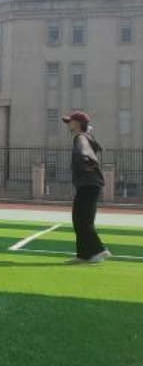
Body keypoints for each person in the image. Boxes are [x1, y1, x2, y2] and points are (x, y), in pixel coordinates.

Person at [63, 111, 111, 264]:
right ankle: (83, 255)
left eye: (70, 121)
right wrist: (87, 131)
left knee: (82, 220)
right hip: (90, 184)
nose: (68, 124)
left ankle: (100, 250)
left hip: (88, 184)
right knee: (81, 219)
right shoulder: (85, 136)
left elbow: (84, 151)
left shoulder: (80, 137)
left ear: (77, 123)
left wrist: (84, 160)